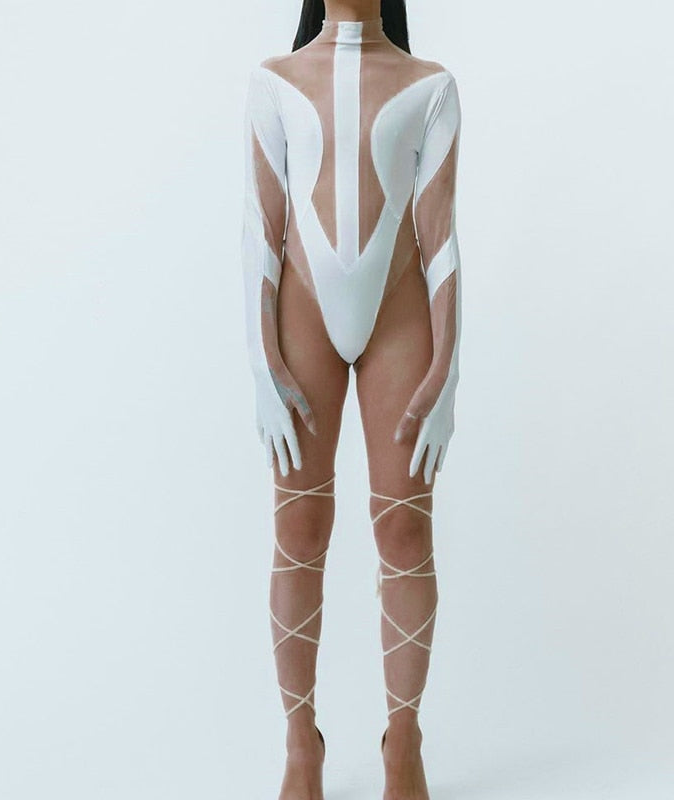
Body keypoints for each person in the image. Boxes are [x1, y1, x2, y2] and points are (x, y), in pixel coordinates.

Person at [241, 0, 462, 796]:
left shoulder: (430, 85)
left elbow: (440, 233)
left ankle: (404, 738)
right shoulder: (274, 82)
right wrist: (263, 365)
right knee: (299, 525)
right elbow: (262, 229)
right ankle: (301, 743)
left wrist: (448, 371)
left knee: (404, 526)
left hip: (400, 317)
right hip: (301, 315)